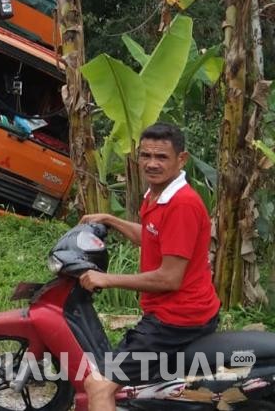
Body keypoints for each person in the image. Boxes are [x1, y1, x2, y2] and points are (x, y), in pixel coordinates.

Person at [79, 122, 220, 410]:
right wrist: (112, 220)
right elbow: (153, 237)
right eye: (146, 156)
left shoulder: (182, 205)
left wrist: (108, 279)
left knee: (98, 384)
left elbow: (169, 279)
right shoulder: (157, 194)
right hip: (180, 312)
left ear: (182, 159)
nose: (152, 164)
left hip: (176, 319)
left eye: (162, 157)